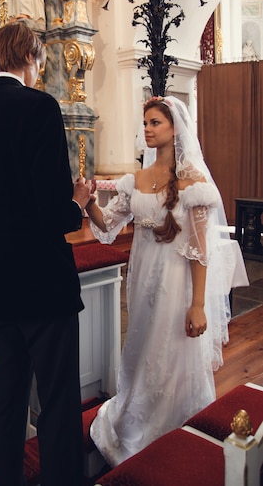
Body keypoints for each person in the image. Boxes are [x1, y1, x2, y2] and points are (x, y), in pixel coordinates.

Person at [0, 21, 92, 486]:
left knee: (7, 396)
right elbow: (52, 212)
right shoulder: (39, 107)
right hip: (42, 280)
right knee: (56, 399)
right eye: (40, 62)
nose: (40, 70)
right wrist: (79, 201)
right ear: (31, 55)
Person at [83, 95, 249, 467]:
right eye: (144, 124)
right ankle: (138, 415)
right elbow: (108, 226)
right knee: (142, 348)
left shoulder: (195, 182)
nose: (147, 129)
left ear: (175, 128)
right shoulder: (136, 179)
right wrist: (86, 201)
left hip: (178, 284)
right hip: (142, 280)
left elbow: (200, 249)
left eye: (155, 123)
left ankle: (176, 428)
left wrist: (198, 303)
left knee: (172, 353)